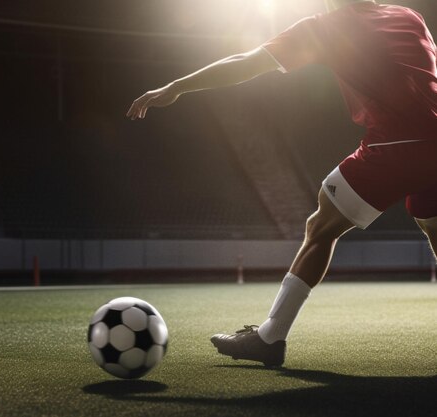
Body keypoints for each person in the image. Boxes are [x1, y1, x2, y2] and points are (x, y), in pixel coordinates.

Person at [127, 0, 437, 367]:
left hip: (394, 145)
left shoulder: (325, 27)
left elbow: (245, 63)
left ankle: (270, 337)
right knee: (434, 229)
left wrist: (177, 86)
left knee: (320, 227)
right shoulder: (408, 15)